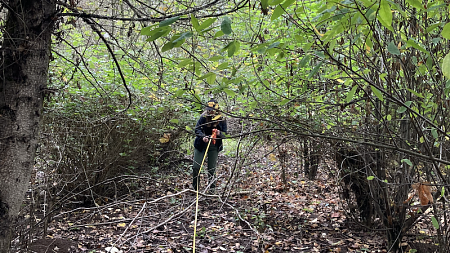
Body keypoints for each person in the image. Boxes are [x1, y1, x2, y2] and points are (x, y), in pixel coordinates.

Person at [192, 99, 227, 192]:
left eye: (212, 109)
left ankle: (212, 190)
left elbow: (226, 134)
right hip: (201, 145)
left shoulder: (222, 119)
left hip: (214, 146)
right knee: (196, 167)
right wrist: (203, 137)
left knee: (211, 169)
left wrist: (219, 133)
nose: (210, 111)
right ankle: (195, 189)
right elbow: (197, 129)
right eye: (209, 109)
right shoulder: (204, 117)